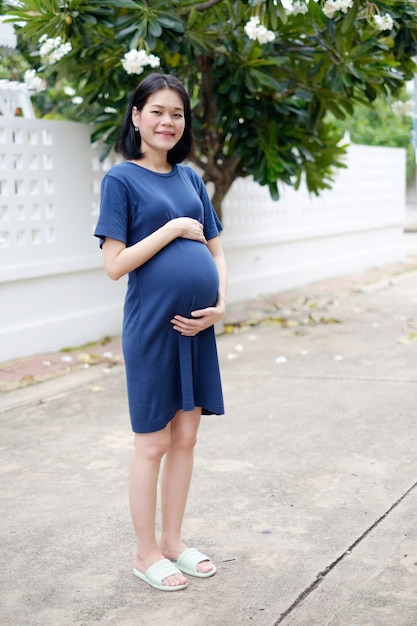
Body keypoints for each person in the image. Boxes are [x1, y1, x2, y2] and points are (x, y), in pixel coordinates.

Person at [94, 72, 227, 592]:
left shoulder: (191, 179)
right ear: (136, 117)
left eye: (177, 113)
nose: (168, 121)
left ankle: (173, 541)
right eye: (157, 111)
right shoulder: (120, 181)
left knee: (187, 436)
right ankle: (145, 552)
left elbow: (216, 249)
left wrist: (221, 303)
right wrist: (172, 228)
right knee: (152, 442)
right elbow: (115, 264)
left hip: (198, 329)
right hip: (152, 328)